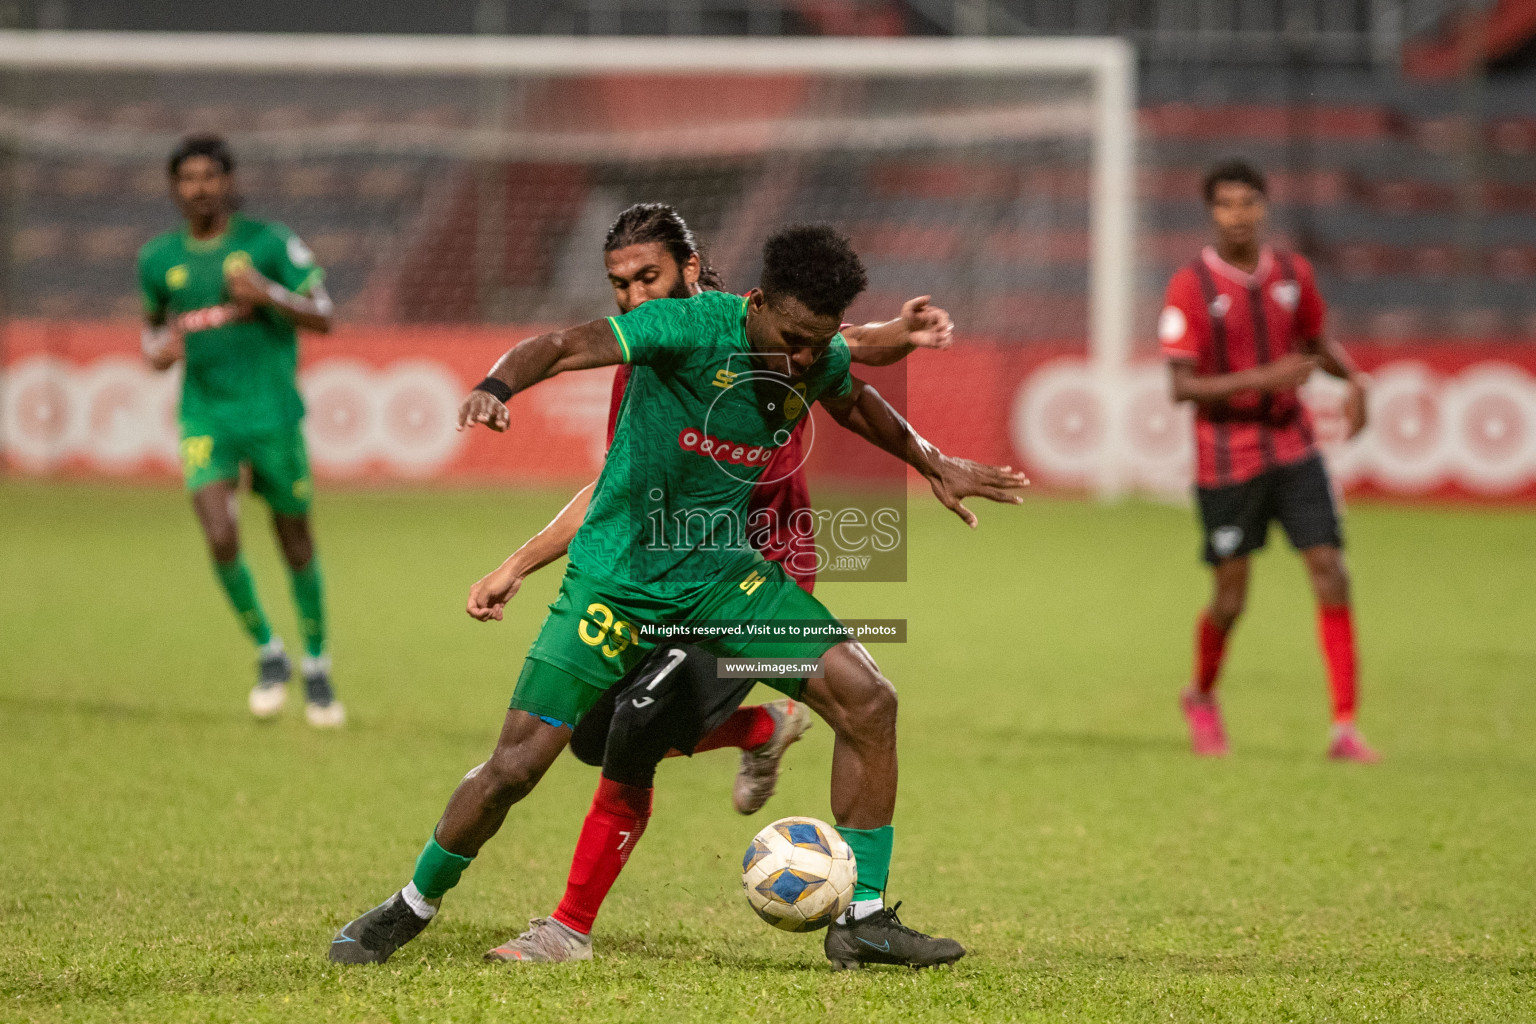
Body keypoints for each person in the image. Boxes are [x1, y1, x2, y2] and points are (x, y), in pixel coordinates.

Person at [330, 224, 1027, 970]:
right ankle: (411, 904)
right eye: (791, 337)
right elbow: (564, 345)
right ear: (756, 303)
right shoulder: (686, 326)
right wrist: (496, 386)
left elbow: (854, 400)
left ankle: (861, 920)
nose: (799, 359)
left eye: (814, 344)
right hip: (616, 582)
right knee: (516, 767)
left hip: (722, 579)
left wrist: (930, 460)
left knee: (869, 700)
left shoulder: (812, 354)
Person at [458, 202, 955, 958]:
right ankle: (761, 728)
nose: (632, 298)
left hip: (756, 577)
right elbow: (615, 492)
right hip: (655, 577)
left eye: (648, 277)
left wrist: (902, 341)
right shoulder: (651, 363)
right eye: (619, 283)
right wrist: (518, 563)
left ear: (691, 270)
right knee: (592, 737)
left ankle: (568, 929)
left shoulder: (777, 339)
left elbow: (847, 352)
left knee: (636, 731)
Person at [1159, 159, 1376, 762]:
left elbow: (1314, 343)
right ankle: (1201, 695)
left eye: (1249, 203)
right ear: (1212, 213)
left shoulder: (1292, 274)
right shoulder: (1190, 287)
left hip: (1292, 444)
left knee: (1331, 569)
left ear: (1264, 208)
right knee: (1231, 598)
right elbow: (1181, 387)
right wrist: (1267, 376)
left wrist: (1353, 378)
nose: (1239, 215)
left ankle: (1345, 727)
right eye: (1226, 204)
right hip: (1225, 458)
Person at [137, 134, 343, 727]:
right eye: (187, 178)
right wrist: (157, 351)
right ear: (174, 188)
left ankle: (317, 663)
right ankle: (268, 651)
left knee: (293, 540)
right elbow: (154, 330)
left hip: (272, 414)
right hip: (206, 416)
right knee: (221, 536)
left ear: (228, 181)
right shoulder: (157, 259)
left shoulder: (269, 243)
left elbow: (325, 315)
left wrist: (270, 294)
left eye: (209, 175)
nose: (198, 187)